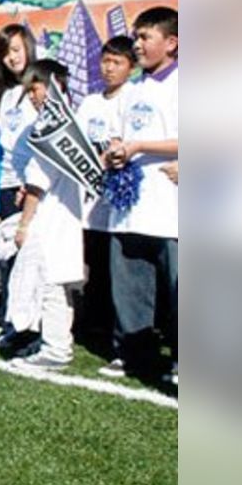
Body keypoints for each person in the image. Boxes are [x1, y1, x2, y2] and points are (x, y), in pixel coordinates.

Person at [100, 7, 178, 383]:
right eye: (137, 36)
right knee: (130, 283)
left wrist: (139, 146)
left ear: (171, 42)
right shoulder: (133, 91)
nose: (139, 44)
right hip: (131, 206)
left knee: (179, 289)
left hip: (170, 207)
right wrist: (117, 150)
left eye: (146, 37)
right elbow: (119, 135)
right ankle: (132, 353)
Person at [7, 61, 84, 370]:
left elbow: (39, 183)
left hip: (52, 217)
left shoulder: (52, 128)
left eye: (35, 89)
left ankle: (56, 348)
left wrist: (24, 223)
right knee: (57, 283)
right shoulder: (66, 123)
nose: (32, 97)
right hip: (63, 213)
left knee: (50, 283)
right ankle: (56, 341)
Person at [0, 24, 38, 336]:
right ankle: (10, 322)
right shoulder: (1, 96)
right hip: (6, 188)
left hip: (33, 189)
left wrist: (33, 184)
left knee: (30, 260)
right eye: (4, 53)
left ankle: (29, 327)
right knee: (6, 260)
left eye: (16, 49)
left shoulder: (40, 89)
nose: (11, 58)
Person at [73, 36, 135, 343]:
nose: (109, 68)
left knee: (119, 268)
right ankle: (93, 322)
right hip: (91, 200)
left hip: (121, 199)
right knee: (93, 264)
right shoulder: (90, 102)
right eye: (106, 61)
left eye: (117, 63)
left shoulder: (133, 98)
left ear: (131, 67)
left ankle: (120, 327)